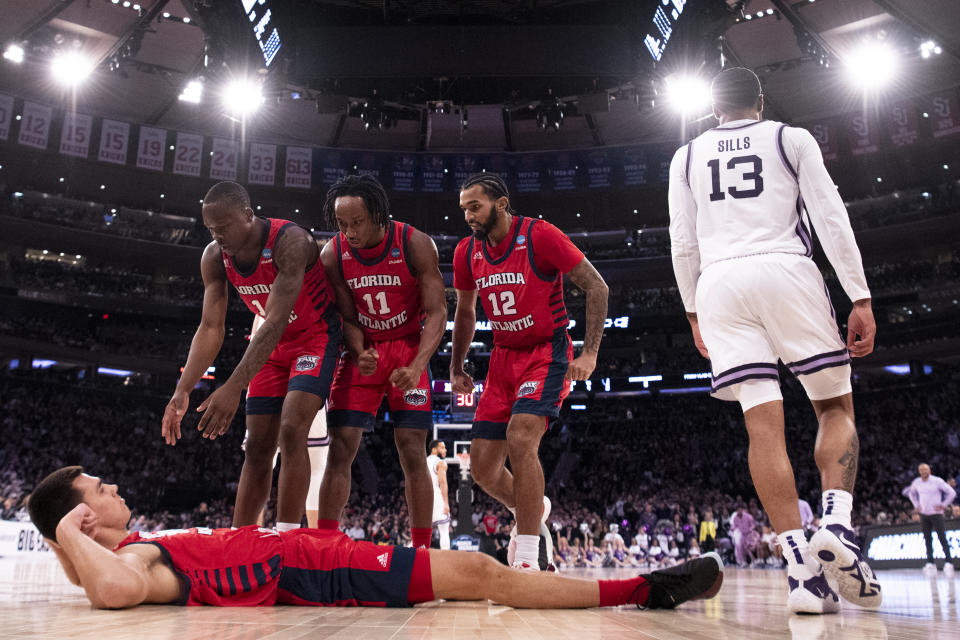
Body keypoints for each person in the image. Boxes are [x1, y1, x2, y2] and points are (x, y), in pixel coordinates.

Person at [668, 67, 881, 614]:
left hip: (719, 284)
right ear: (759, 100)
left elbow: (683, 243)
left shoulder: (685, 157)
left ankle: (801, 573)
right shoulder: (790, 137)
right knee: (834, 406)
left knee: (762, 428)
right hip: (784, 267)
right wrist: (858, 294)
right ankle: (836, 523)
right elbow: (830, 217)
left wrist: (693, 312)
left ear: (713, 108)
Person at [26, 466, 723, 611]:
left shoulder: (125, 547)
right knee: (482, 573)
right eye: (100, 490)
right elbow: (111, 590)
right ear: (83, 518)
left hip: (314, 557)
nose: (114, 488)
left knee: (474, 578)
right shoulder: (132, 559)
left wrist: (65, 541)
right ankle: (642, 590)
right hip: (315, 570)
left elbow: (84, 576)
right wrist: (62, 529)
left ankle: (638, 588)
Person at [450, 173, 609, 571]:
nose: (468, 216)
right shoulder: (466, 252)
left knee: (521, 438)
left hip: (545, 352)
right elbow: (466, 311)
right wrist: (456, 364)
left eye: (475, 206)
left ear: (501, 204)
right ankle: (532, 509)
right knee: (483, 469)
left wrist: (589, 353)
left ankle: (527, 556)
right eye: (464, 208)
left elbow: (597, 287)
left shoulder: (540, 235)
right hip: (502, 358)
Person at [162, 182, 340, 531]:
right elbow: (210, 327)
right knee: (257, 446)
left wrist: (233, 387)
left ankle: (288, 536)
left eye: (223, 227)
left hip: (314, 337)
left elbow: (274, 322)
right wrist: (183, 389)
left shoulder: (291, 242)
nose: (217, 236)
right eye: (211, 229)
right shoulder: (215, 256)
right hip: (270, 347)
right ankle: (241, 540)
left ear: (248, 215)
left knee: (292, 429)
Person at [316, 175, 446, 550]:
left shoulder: (415, 244)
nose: (350, 232)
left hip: (408, 348)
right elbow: (347, 317)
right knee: (340, 447)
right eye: (342, 224)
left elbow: (437, 312)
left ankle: (421, 550)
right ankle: (325, 543)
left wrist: (418, 365)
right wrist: (359, 352)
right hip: (364, 351)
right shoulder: (333, 255)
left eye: (357, 222)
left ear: (378, 214)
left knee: (412, 449)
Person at [245, 314, 330, 529]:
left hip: (278, 362)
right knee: (315, 460)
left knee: (260, 457)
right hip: (306, 362)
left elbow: (254, 336)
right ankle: (313, 536)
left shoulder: (260, 305)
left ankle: (250, 534)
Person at [902, 463, 956, 576]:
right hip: (924, 514)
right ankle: (930, 562)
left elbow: (952, 493)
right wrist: (916, 504)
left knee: (942, 538)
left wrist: (943, 505)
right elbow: (911, 494)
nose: (924, 471)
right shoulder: (917, 482)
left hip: (936, 514)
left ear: (929, 470)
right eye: (922, 470)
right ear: (919, 472)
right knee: (927, 539)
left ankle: (949, 562)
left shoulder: (937, 481)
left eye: (926, 469)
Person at [426, 440, 452, 549]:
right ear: (434, 449)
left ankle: (405, 556)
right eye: (442, 447)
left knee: (420, 534)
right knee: (444, 529)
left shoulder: (422, 462)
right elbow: (443, 484)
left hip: (422, 499)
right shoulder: (440, 463)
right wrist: (446, 503)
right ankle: (446, 557)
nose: (445, 450)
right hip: (436, 498)